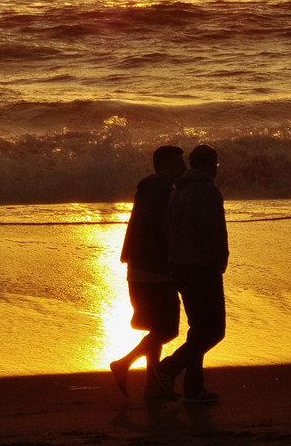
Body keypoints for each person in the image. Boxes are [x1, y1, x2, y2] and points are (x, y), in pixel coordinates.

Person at [109, 145, 185, 399]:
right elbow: (167, 233)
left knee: (156, 328)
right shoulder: (163, 193)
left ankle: (152, 387)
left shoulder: (146, 189)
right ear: (163, 165)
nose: (183, 167)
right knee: (167, 330)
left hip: (138, 268)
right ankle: (124, 363)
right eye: (178, 162)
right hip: (156, 270)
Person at [157, 144, 228, 404]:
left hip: (180, 267)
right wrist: (218, 263)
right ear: (212, 164)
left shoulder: (178, 190)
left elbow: (167, 228)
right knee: (213, 331)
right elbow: (213, 233)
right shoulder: (208, 191)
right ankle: (168, 368)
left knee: (198, 330)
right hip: (202, 268)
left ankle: (194, 388)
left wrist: (173, 260)